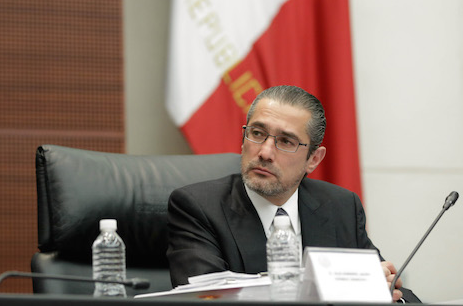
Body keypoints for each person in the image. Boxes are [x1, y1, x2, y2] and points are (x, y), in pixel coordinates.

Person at [167, 85, 419, 303]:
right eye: (257, 133)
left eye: (286, 141)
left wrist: (386, 292)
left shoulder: (340, 207)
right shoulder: (198, 207)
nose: (265, 152)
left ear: (313, 159)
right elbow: (203, 302)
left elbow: (394, 289)